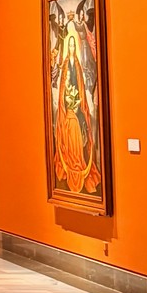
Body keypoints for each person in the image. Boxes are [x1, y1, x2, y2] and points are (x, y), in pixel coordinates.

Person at [53, 30, 101, 195]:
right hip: (68, 105)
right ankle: (71, 160)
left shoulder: (78, 66)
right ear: (68, 47)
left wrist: (79, 104)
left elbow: (80, 86)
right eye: (70, 46)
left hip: (78, 106)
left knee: (81, 130)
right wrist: (68, 103)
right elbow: (63, 89)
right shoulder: (66, 64)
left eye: (74, 46)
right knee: (70, 127)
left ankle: (79, 160)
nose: (72, 48)